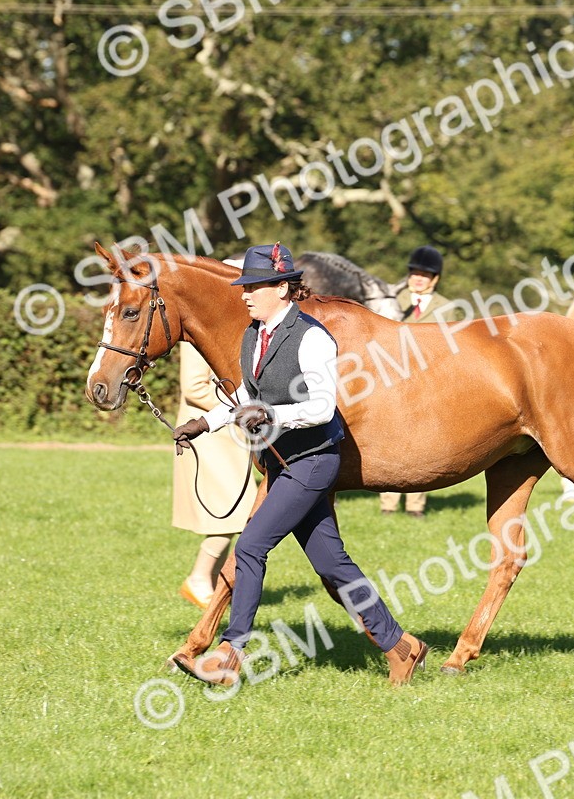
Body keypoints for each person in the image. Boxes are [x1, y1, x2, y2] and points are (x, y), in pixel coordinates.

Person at [170, 242, 428, 686]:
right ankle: (402, 647)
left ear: (282, 289)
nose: (245, 294)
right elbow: (252, 396)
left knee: (251, 545)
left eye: (254, 286)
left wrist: (273, 415)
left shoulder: (312, 338)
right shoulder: (254, 334)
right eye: (244, 286)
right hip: (281, 460)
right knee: (333, 565)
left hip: (312, 462)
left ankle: (230, 654)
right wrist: (205, 422)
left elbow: (323, 407)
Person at [380, 245, 462, 518]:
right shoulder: (391, 301)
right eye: (414, 272)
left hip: (427, 381)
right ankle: (388, 503)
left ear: (435, 279)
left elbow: (453, 347)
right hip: (390, 379)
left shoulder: (447, 309)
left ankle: (416, 505)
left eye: (424, 275)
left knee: (420, 441)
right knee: (387, 437)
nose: (418, 278)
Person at [173, 341, 253, 609]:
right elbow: (194, 387)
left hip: (223, 432)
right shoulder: (196, 333)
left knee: (235, 513)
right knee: (233, 513)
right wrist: (241, 409)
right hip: (206, 431)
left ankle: (211, 585)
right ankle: (198, 581)